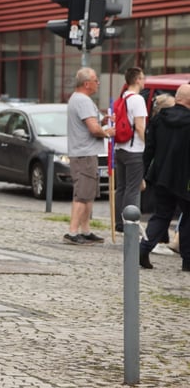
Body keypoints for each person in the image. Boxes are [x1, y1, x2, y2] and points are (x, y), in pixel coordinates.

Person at [140, 84, 190, 272]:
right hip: (185, 179)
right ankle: (187, 260)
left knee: (161, 215)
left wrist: (143, 174)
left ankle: (143, 248)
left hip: (161, 176)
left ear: (177, 97)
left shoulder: (160, 118)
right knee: (188, 218)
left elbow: (149, 149)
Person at [65, 67, 115, 245]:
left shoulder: (78, 99)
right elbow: (93, 130)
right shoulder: (83, 101)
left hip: (84, 153)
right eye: (95, 80)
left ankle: (85, 230)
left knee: (88, 194)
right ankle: (72, 232)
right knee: (82, 194)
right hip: (84, 154)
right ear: (87, 84)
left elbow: (91, 122)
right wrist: (108, 131)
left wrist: (101, 120)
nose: (98, 83)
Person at [113, 67, 147, 232]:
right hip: (134, 150)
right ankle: (129, 224)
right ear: (137, 80)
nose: (144, 80)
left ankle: (119, 223)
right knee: (133, 188)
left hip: (120, 148)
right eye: (143, 77)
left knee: (122, 187)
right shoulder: (138, 100)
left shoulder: (123, 97)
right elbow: (140, 127)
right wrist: (147, 146)